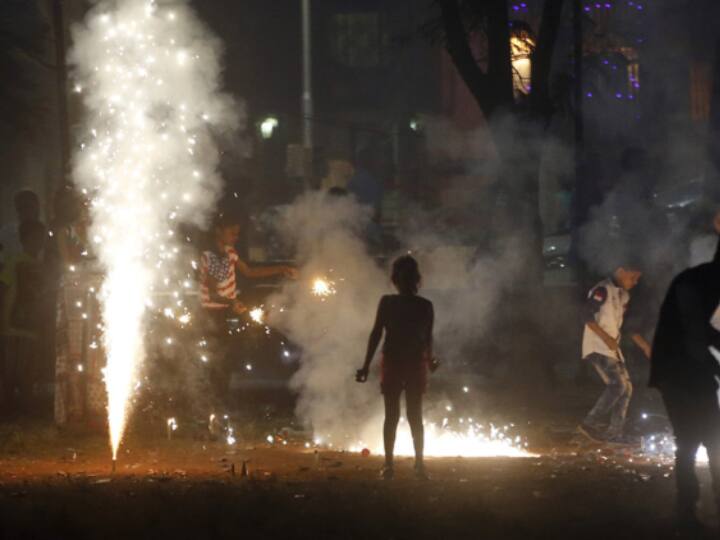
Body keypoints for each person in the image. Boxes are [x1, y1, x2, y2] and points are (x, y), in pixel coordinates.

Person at [649, 211, 720, 529]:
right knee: (695, 439)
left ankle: (690, 510)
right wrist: (713, 363)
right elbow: (695, 335)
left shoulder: (703, 283)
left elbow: (704, 333)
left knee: (712, 438)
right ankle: (686, 512)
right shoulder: (691, 285)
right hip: (677, 373)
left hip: (689, 371)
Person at [199, 213, 296, 408]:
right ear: (219, 231)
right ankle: (214, 404)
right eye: (232, 233)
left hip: (225, 312)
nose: (235, 238)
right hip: (212, 315)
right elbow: (212, 291)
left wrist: (282, 269)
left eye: (237, 234)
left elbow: (250, 272)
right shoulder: (209, 257)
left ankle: (220, 402)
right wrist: (232, 302)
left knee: (227, 359)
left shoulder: (230, 253)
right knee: (218, 361)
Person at [356, 255, 436, 480]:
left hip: (398, 362)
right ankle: (417, 466)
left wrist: (365, 366)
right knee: (412, 415)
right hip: (410, 363)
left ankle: (392, 465)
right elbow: (427, 338)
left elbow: (376, 334)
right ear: (416, 279)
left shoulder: (389, 302)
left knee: (396, 415)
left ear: (396, 279)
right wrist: (429, 359)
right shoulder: (423, 306)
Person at [577, 265, 651, 443]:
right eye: (633, 277)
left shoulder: (623, 295)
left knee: (626, 389)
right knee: (618, 386)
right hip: (597, 346)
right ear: (621, 271)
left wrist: (645, 347)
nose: (635, 282)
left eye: (637, 279)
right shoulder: (602, 290)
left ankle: (615, 433)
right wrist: (606, 338)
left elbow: (626, 328)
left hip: (611, 349)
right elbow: (585, 316)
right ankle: (589, 424)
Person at [0, 220, 46, 414]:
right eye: (34, 237)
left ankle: (25, 411)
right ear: (24, 239)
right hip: (13, 324)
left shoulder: (40, 265)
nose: (38, 242)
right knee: (9, 370)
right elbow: (5, 289)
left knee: (28, 371)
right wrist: (5, 321)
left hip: (31, 325)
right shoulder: (15, 262)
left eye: (41, 238)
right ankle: (7, 410)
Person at [0, 190, 40, 265]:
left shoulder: (45, 232)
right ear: (17, 209)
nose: (27, 211)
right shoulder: (6, 233)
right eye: (22, 207)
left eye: (30, 206)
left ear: (37, 208)